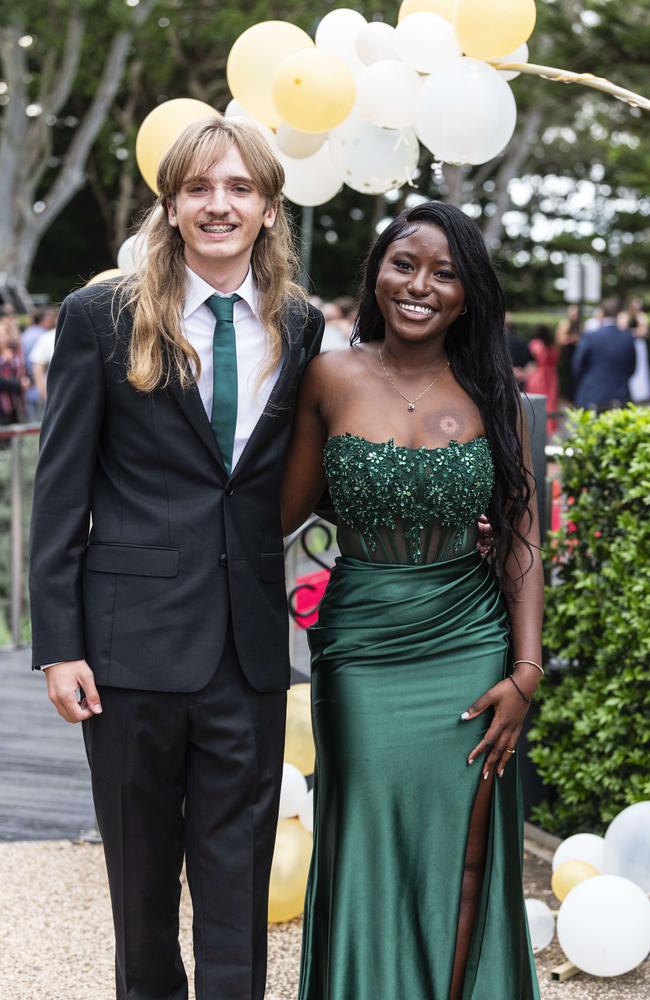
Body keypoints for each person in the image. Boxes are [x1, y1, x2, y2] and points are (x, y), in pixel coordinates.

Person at [29, 117, 325, 1000]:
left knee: (236, 889)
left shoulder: (302, 328)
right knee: (143, 894)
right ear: (171, 204)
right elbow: (59, 491)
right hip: (127, 654)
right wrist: (60, 642)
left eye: (239, 188)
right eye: (198, 188)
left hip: (248, 654)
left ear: (270, 208)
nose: (219, 205)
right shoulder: (100, 317)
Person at [281, 202, 543, 1000]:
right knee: (367, 841)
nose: (420, 285)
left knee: (466, 855)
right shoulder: (330, 376)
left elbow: (526, 542)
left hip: (470, 642)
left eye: (445, 273)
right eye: (404, 264)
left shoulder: (494, 391)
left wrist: (525, 671)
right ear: (376, 273)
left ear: (469, 295)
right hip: (362, 651)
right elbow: (277, 517)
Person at [572, 297, 636, 411]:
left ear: (602, 313)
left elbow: (577, 366)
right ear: (618, 314)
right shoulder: (628, 338)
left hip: (591, 396)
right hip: (620, 396)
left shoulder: (590, 336)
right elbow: (632, 368)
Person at [526, 323, 559, 435]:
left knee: (535, 402)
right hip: (552, 375)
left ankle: (536, 427)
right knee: (550, 403)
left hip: (538, 375)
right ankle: (549, 429)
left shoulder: (535, 344)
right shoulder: (552, 346)